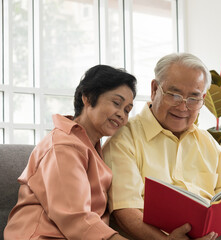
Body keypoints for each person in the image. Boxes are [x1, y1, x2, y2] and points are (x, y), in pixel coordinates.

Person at [102, 53, 221, 240]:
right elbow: (124, 212)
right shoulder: (124, 139)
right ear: (155, 89)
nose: (183, 107)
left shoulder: (206, 141)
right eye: (175, 95)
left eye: (194, 98)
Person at [4, 65, 137, 240]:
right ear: (88, 98)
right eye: (116, 103)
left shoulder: (91, 147)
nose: (122, 114)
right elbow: (77, 219)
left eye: (127, 110)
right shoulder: (63, 147)